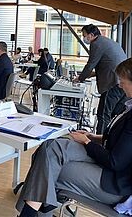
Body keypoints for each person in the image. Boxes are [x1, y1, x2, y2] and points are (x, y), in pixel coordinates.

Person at [14, 57, 132, 217]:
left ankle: (29, 213)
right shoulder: (128, 106)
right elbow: (122, 143)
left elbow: (115, 161)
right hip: (108, 162)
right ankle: (34, 212)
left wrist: (88, 142)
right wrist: (94, 137)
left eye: (123, 81)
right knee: (50, 147)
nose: (119, 85)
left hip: (114, 183)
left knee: (48, 166)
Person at [77, 24, 127, 134]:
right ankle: (109, 141)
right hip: (124, 83)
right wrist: (90, 75)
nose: (84, 38)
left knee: (103, 114)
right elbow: (107, 64)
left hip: (112, 83)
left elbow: (90, 65)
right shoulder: (106, 41)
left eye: (85, 35)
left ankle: (100, 144)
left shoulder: (96, 44)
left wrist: (80, 78)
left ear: (91, 35)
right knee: (115, 114)